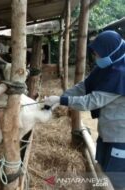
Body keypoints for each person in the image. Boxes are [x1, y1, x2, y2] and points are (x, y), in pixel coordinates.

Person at [44, 30, 125, 189]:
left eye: (98, 54)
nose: (96, 57)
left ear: (111, 51)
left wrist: (62, 100)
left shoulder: (121, 74)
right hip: (107, 131)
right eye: (95, 53)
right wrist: (64, 96)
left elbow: (92, 101)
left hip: (121, 136)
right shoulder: (107, 65)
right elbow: (85, 86)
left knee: (117, 179)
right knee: (102, 165)